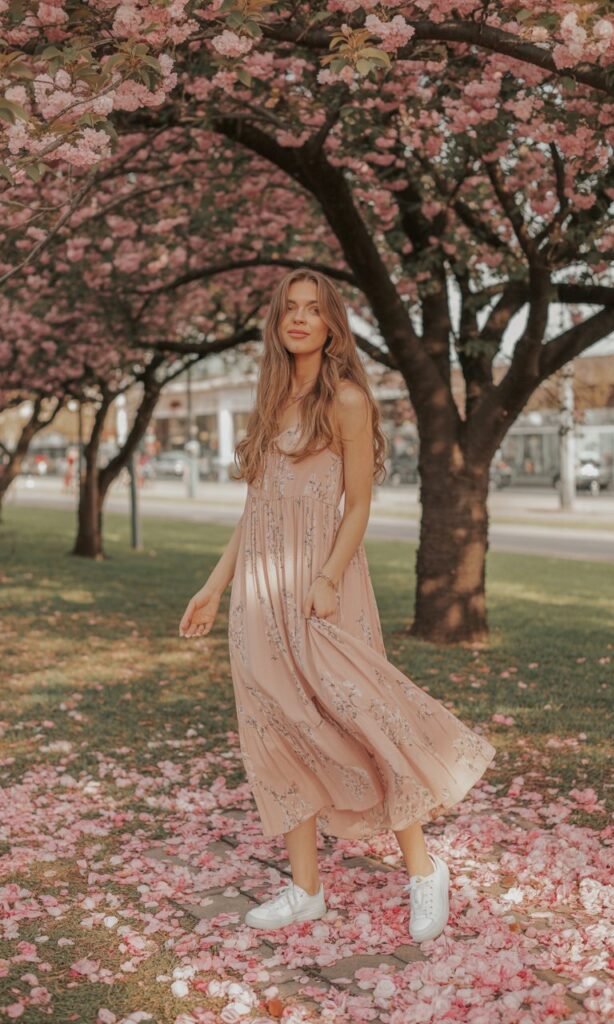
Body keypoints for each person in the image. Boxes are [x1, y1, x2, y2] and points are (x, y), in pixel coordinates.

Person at [179, 269, 496, 943]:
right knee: (275, 726)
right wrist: (213, 587)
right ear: (278, 322)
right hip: (258, 596)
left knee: (360, 718)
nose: (299, 319)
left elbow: (359, 505)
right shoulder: (269, 401)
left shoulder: (347, 400)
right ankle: (305, 889)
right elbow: (254, 510)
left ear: (331, 326)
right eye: (289, 309)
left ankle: (423, 870)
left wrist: (325, 577)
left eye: (312, 310)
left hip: (322, 588)